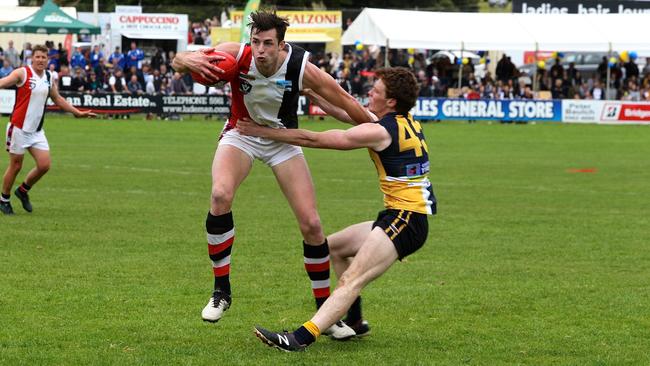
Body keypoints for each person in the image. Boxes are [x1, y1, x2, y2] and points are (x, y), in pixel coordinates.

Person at [171, 10, 372, 337]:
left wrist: (379, 128)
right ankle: (221, 291)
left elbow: (344, 100)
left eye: (268, 43)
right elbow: (179, 60)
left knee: (312, 223)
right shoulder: (237, 53)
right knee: (220, 194)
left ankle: (326, 313)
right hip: (242, 133)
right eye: (256, 42)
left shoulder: (301, 66)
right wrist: (186, 60)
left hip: (282, 140)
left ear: (282, 45)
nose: (260, 50)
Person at [236, 67, 436, 352]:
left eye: (375, 91)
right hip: (403, 216)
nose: (370, 93)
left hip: (406, 219)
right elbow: (347, 114)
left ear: (391, 102)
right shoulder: (404, 122)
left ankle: (299, 338)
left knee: (351, 280)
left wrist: (262, 132)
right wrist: (312, 93)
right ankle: (355, 322)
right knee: (336, 248)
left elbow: (314, 140)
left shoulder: (381, 131)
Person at [0, 45, 96, 215]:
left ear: (48, 59)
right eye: (37, 57)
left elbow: (57, 98)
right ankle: (4, 200)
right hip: (19, 128)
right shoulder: (22, 73)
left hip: (36, 131)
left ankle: (22, 191)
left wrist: (77, 113)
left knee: (44, 165)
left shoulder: (49, 77)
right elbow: (3, 82)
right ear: (32, 58)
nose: (40, 60)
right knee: (15, 166)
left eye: (44, 57)